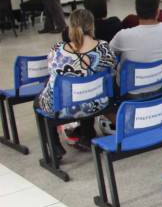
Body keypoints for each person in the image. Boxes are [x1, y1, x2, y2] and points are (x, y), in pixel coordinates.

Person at [36, 8, 116, 155]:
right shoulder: (104, 47)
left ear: (70, 27)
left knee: (39, 100)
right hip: (97, 103)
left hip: (64, 108)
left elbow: (51, 71)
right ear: (92, 26)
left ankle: (54, 146)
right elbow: (113, 67)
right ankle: (87, 135)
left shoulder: (58, 50)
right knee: (85, 89)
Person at [109, 0, 162, 95]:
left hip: (128, 91)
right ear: (158, 12)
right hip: (159, 86)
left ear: (137, 11)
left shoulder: (123, 35)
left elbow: (109, 54)